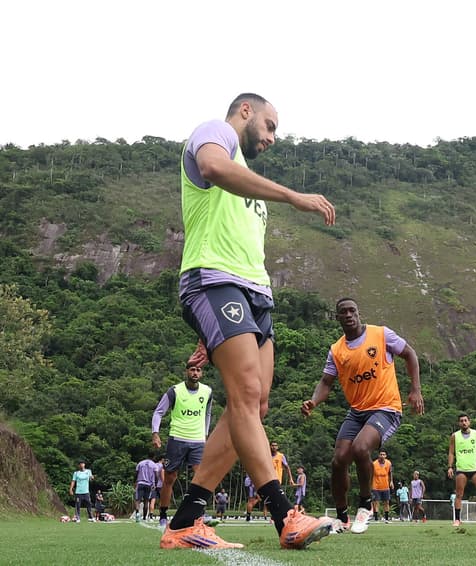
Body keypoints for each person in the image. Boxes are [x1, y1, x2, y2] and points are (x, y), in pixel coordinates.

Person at [160, 93, 336, 551]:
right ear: (246, 112)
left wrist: (212, 334)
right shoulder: (215, 133)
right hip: (214, 280)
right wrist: (292, 196)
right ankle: (286, 517)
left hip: (255, 294)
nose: (273, 137)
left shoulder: (248, 181)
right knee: (244, 393)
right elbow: (213, 167)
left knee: (255, 406)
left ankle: (185, 521)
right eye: (270, 125)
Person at [301, 297, 424, 534]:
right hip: (357, 412)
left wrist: (415, 389)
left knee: (360, 448)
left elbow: (410, 354)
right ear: (337, 318)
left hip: (386, 408)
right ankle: (341, 518)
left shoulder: (381, 334)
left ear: (358, 313)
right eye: (343, 312)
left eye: (352, 310)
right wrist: (313, 401)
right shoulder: (336, 350)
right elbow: (326, 382)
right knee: (338, 461)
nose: (349, 315)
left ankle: (365, 505)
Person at [151, 362, 212, 529]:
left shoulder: (207, 391)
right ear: (187, 371)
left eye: (198, 370)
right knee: (170, 478)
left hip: (198, 441)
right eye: (192, 369)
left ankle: (200, 513)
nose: (195, 373)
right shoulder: (175, 391)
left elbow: (207, 413)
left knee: (201, 477)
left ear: (202, 373)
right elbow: (158, 412)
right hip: (177, 439)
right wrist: (155, 433)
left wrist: (205, 434)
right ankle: (163, 515)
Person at [134, 451, 160, 522]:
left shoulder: (140, 463)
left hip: (140, 483)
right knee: (146, 501)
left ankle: (137, 513)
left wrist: (134, 482)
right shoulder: (154, 465)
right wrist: (155, 484)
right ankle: (144, 517)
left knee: (138, 500)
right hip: (149, 484)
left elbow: (136, 473)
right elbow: (156, 476)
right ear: (154, 457)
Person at [372, 451, 394, 524]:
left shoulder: (388, 463)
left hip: (385, 485)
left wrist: (391, 481)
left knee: (386, 502)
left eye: (383, 454)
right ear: (379, 455)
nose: (382, 456)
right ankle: (376, 519)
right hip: (376, 486)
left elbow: (390, 472)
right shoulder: (374, 464)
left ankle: (386, 519)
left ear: (386, 456)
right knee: (376, 502)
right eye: (381, 454)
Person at [149, 455, 164, 520]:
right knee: (162, 500)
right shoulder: (162, 466)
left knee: (152, 500)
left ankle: (151, 515)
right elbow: (162, 476)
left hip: (153, 485)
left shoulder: (154, 465)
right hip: (160, 485)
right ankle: (162, 514)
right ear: (162, 459)